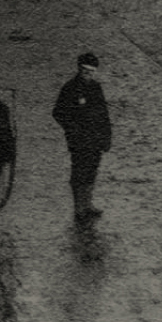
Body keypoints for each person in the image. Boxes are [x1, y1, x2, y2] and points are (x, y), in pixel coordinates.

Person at [52, 52, 113, 222]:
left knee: (92, 170)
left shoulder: (96, 87)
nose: (88, 74)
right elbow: (58, 112)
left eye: (92, 71)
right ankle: (79, 207)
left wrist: (106, 137)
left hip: (95, 138)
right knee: (79, 171)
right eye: (85, 70)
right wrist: (72, 130)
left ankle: (88, 204)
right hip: (79, 140)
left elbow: (104, 114)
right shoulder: (70, 88)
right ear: (79, 69)